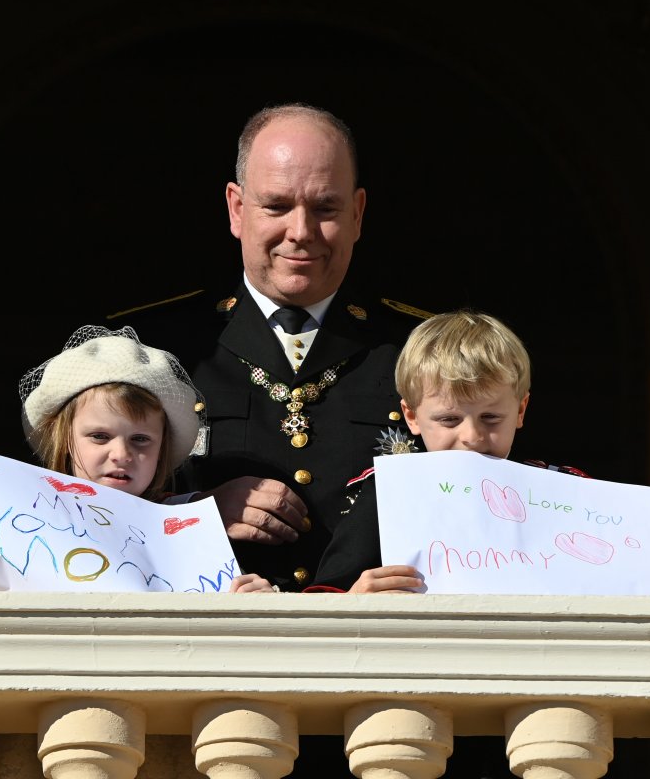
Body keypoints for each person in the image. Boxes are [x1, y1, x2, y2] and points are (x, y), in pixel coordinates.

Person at [109, 102, 429, 592]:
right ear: (237, 208)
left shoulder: (421, 351)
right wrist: (198, 515)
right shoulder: (152, 349)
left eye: (325, 208)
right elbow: (81, 513)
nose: (300, 232)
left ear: (359, 213)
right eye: (277, 206)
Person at [309, 309, 650, 597]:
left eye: (490, 417)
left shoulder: (569, 490)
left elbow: (633, 591)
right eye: (450, 420)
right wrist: (354, 598)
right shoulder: (386, 494)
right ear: (412, 417)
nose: (471, 436)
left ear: (520, 410)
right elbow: (323, 600)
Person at [0, 325, 272, 593]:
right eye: (99, 436)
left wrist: (251, 603)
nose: (122, 454)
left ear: (163, 449)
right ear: (65, 440)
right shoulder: (2, 518)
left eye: (141, 440)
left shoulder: (196, 533)